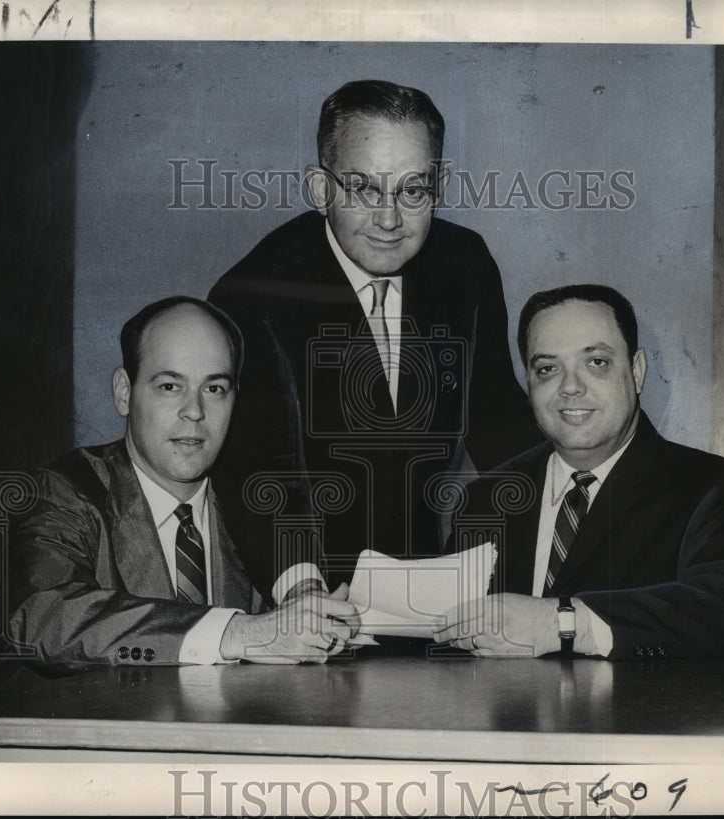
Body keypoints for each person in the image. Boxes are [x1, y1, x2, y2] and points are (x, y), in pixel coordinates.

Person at [208, 79, 541, 592]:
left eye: (412, 190)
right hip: (309, 589)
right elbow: (259, 470)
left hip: (432, 589)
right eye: (363, 188)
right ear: (321, 189)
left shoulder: (465, 263)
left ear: (439, 185)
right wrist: (303, 590)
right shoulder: (252, 294)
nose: (389, 219)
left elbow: (500, 424)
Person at [434, 284, 724, 660]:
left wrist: (565, 624)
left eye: (596, 363)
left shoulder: (716, 487)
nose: (570, 387)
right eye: (547, 369)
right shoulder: (484, 499)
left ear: (636, 372)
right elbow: (440, 635)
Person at [8, 297, 358, 668]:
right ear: (124, 392)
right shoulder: (64, 492)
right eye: (170, 386)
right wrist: (238, 633)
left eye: (214, 389)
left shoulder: (257, 507)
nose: (194, 411)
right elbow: (43, 619)